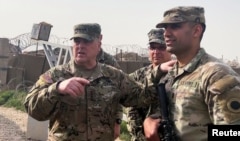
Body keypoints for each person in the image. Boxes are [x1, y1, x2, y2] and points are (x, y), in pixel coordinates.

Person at [24, 23, 164, 141]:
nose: (81, 46)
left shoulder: (113, 75)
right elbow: (32, 109)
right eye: (77, 41)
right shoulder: (56, 75)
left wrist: (159, 71)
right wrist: (57, 89)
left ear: (98, 44)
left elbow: (141, 97)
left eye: (87, 41)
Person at [143, 6, 240, 141]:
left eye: (175, 27)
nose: (166, 33)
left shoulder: (217, 75)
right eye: (165, 28)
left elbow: (236, 133)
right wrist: (150, 120)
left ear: (196, 30)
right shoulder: (171, 73)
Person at [126, 28, 172, 141]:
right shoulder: (137, 77)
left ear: (170, 49)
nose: (156, 52)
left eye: (162, 47)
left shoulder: (178, 76)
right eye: (153, 48)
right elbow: (131, 112)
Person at [96, 48, 123, 139]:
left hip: (105, 120)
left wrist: (117, 121)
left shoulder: (110, 61)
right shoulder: (79, 58)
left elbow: (119, 93)